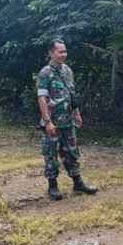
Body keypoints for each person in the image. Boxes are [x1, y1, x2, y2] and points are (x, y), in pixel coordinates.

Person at [37, 39, 97, 200]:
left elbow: (72, 95)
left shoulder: (68, 71)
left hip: (68, 120)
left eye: (65, 51)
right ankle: (53, 186)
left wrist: (77, 114)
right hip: (53, 122)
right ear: (51, 53)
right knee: (51, 153)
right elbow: (42, 98)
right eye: (60, 52)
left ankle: (78, 182)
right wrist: (47, 121)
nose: (63, 54)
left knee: (72, 151)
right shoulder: (45, 73)